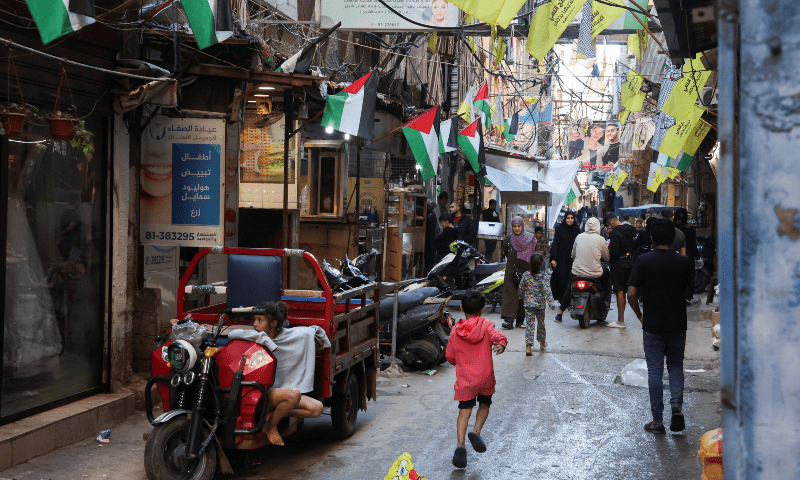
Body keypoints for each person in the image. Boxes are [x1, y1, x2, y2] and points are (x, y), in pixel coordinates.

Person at [627, 219, 694, 434]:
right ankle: (677, 408)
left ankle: (657, 421)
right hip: (677, 323)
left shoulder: (644, 260)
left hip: (652, 324)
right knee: (675, 366)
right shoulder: (684, 262)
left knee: (654, 371)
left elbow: (630, 293)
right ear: (673, 239)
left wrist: (639, 315)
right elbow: (688, 294)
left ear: (652, 238)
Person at [445, 290, 507, 469]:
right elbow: (498, 337)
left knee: (464, 411)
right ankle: (477, 431)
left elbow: (450, 357)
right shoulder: (486, 325)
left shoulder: (456, 331)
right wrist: (501, 343)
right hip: (485, 377)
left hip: (465, 379)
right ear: (482, 309)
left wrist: (459, 360)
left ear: (462, 307)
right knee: (485, 404)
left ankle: (460, 445)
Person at [251, 301, 325, 445]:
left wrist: (318, 336)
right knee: (294, 394)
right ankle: (272, 427)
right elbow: (234, 333)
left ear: (273, 323)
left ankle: (270, 419)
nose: (254, 324)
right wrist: (263, 338)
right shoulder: (256, 335)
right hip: (263, 394)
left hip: (281, 393)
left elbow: (316, 333)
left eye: (259, 320)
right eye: (254, 319)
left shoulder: (290, 335)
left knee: (317, 409)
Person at [554, 217, 611, 322]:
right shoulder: (601, 239)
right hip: (595, 274)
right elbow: (607, 258)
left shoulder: (579, 237)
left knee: (569, 288)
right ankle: (605, 303)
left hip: (577, 273)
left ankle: (560, 313)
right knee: (607, 279)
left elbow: (573, 254)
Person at [500, 216, 536, 329]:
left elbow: (534, 254)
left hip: (525, 270)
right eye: (514, 226)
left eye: (519, 226)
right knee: (510, 295)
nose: (516, 229)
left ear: (522, 226)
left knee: (523, 296)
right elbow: (505, 251)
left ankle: (520, 321)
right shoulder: (508, 239)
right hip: (511, 270)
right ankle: (509, 321)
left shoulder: (530, 238)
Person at [603, 213, 638, 328]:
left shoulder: (615, 233)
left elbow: (615, 252)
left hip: (618, 264)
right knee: (627, 290)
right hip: (629, 262)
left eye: (608, 225)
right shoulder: (630, 229)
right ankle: (638, 315)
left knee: (619, 291)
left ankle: (621, 320)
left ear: (610, 223)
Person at [519, 254, 556, 354]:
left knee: (529, 325)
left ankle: (528, 347)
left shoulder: (526, 275)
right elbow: (548, 290)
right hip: (540, 305)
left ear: (530, 263)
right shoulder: (544, 276)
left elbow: (521, 289)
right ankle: (542, 343)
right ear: (541, 264)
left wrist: (522, 297)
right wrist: (551, 303)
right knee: (541, 324)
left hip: (528, 305)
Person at [549, 211, 581, 304]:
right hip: (561, 258)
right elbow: (555, 244)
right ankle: (562, 299)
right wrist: (553, 258)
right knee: (562, 278)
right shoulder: (560, 229)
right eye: (568, 218)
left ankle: (571, 299)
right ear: (565, 219)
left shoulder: (577, 230)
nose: (570, 220)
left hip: (573, 259)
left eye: (571, 218)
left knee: (571, 279)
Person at [674, 208, 700, 302]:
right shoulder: (687, 228)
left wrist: (697, 258)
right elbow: (693, 244)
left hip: (680, 255)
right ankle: (685, 295)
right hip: (685, 255)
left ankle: (684, 295)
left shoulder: (677, 229)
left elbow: (693, 244)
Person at [425, 201, 438, 272]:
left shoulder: (431, 215)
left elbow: (430, 229)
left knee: (429, 258)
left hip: (429, 239)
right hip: (430, 240)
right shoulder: (430, 215)